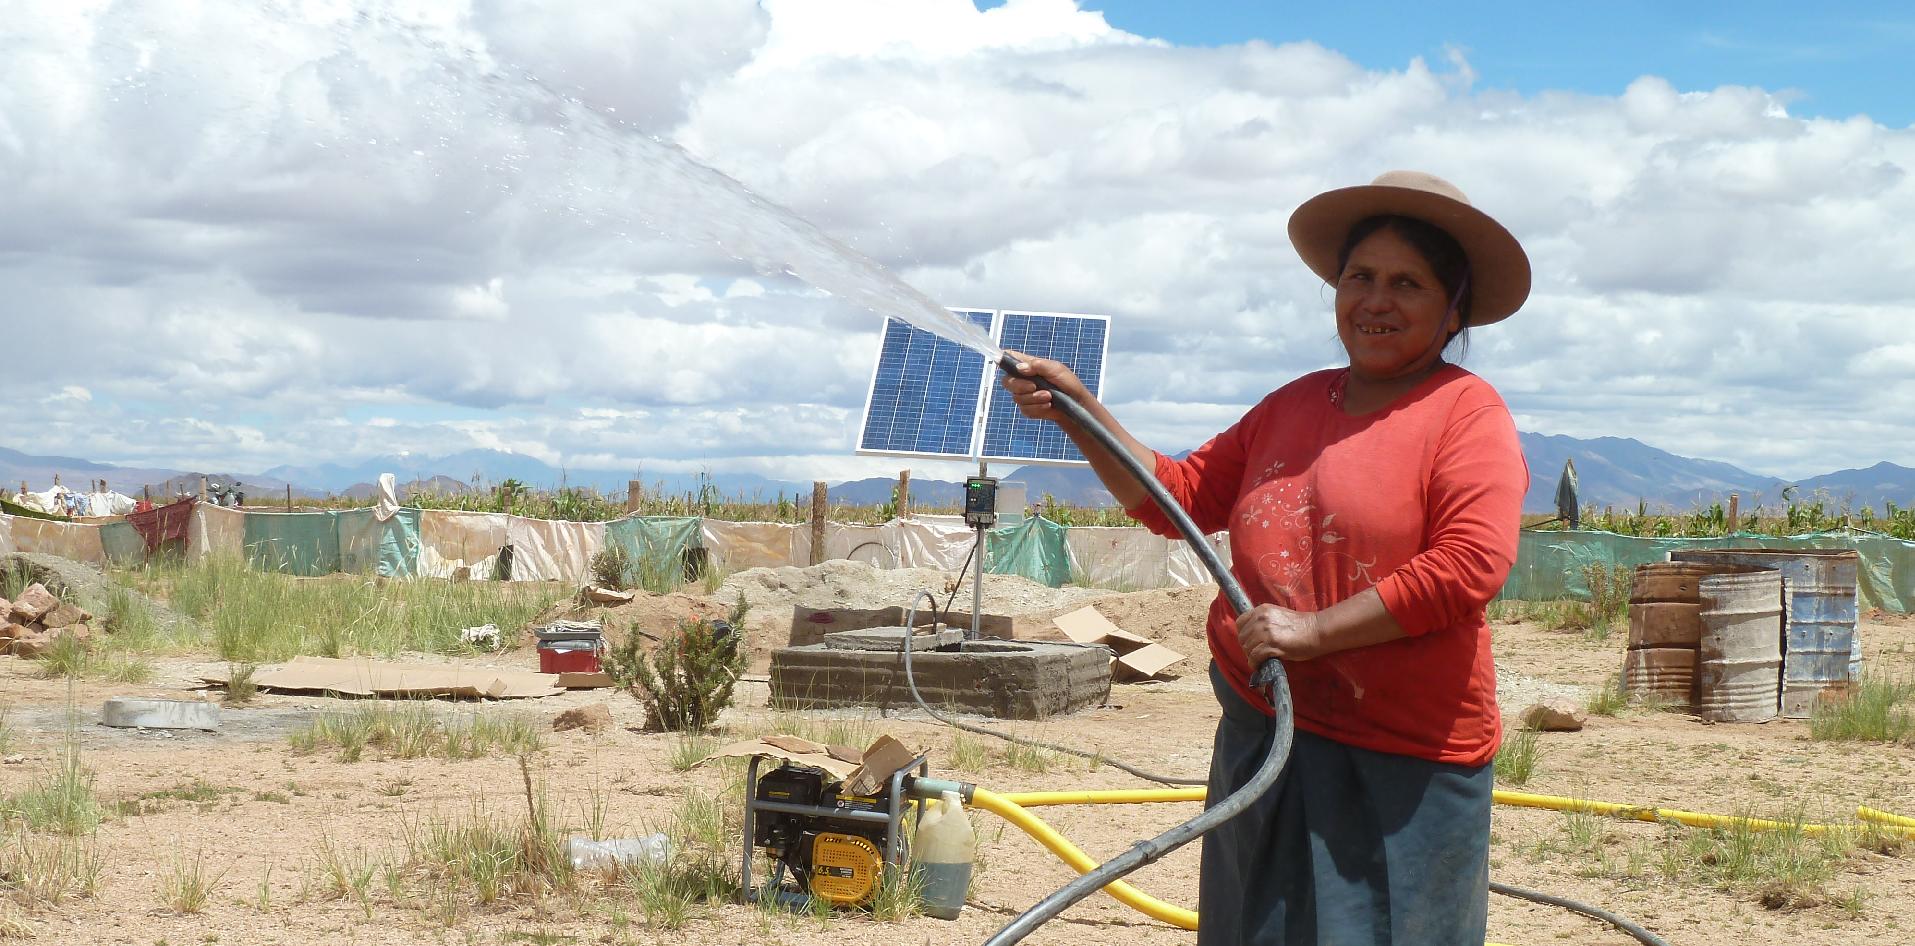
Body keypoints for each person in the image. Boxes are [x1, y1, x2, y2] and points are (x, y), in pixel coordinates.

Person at [1001, 170, 1530, 945]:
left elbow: (1468, 565)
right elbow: (1173, 498)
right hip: (1266, 731)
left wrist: (1314, 635)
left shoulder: (1463, 413)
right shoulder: (1289, 405)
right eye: (1360, 277)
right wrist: (1083, 415)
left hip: (1402, 752)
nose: (1376, 300)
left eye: (1407, 283)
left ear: (1452, 310)